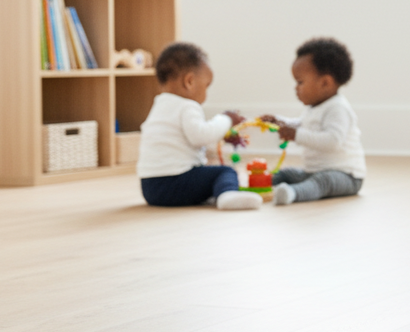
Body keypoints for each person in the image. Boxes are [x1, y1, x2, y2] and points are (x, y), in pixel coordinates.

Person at [138, 42, 259, 210]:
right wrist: (226, 119)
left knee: (205, 172)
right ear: (189, 81)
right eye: (206, 85)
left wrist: (223, 134)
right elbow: (201, 136)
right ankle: (227, 195)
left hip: (150, 189)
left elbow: (188, 137)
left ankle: (216, 193)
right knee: (225, 172)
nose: (206, 93)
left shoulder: (160, 105)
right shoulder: (187, 106)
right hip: (174, 183)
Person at [260, 37, 366, 204]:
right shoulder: (314, 108)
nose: (296, 88)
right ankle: (260, 186)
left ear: (325, 83)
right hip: (314, 171)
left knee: (321, 183)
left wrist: (295, 135)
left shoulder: (338, 108)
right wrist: (280, 122)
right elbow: (302, 125)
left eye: (300, 82)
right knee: (285, 174)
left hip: (346, 175)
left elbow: (332, 141)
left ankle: (292, 194)